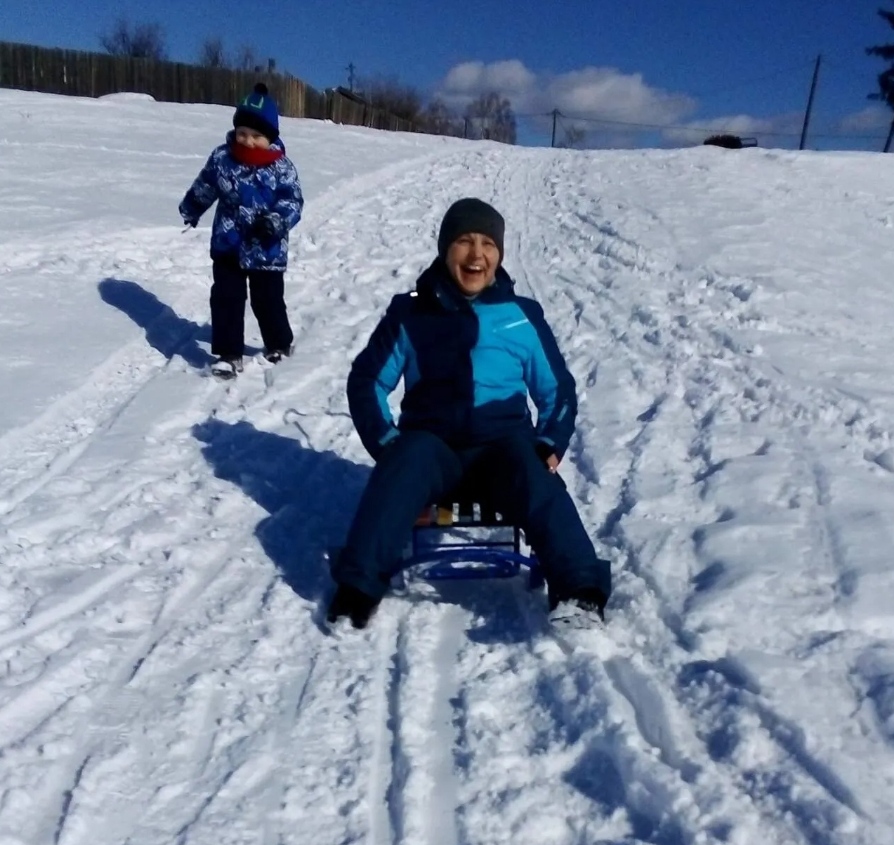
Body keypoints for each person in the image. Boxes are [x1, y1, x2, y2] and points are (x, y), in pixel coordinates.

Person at [327, 197, 611, 629]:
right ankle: (357, 588)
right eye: (464, 241)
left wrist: (549, 442)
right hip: (433, 444)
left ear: (498, 255)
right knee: (402, 466)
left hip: (502, 444)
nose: (476, 254)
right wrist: (385, 442)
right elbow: (367, 380)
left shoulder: (520, 315)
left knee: (537, 478)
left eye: (487, 244)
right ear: (445, 250)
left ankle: (580, 591)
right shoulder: (411, 313)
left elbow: (558, 389)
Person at [179, 83, 304, 378]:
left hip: (267, 247)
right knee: (226, 298)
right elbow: (206, 185)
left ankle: (278, 344)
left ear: (270, 137)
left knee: (268, 299)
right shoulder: (222, 158)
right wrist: (192, 207)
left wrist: (276, 221)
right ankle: (229, 353)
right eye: (243, 133)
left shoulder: (281, 167)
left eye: (257, 136)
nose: (248, 141)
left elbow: (293, 201)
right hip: (228, 243)